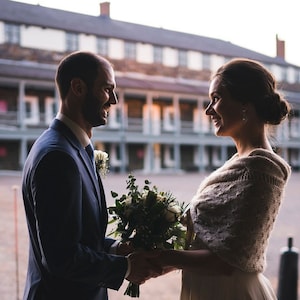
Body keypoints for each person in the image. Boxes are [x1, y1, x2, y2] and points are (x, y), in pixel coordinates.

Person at [22, 51, 160, 300]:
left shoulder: (75, 148)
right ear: (78, 88)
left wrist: (117, 248)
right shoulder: (57, 156)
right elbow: (61, 256)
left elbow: (76, 235)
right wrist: (126, 268)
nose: (114, 100)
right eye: (107, 89)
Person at [153, 58, 291, 299]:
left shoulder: (262, 169)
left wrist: (160, 257)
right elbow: (207, 242)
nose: (208, 110)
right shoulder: (238, 162)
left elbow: (227, 261)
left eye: (216, 98)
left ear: (245, 104)